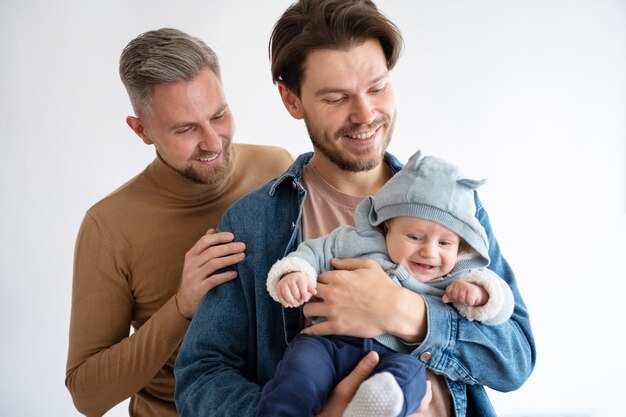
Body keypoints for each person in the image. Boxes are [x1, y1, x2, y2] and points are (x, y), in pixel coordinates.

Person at [175, 1, 536, 416]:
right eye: (336, 98)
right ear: (292, 100)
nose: (365, 115)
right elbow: (201, 376)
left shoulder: (450, 205)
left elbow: (516, 358)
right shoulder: (254, 224)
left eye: (377, 87)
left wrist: (407, 313)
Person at [65, 28, 294, 417]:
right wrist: (181, 306)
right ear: (141, 130)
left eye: (218, 115)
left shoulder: (277, 169)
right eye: (185, 129)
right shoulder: (108, 227)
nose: (212, 142)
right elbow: (88, 395)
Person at [258, 150, 515, 417]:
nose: (430, 252)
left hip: (394, 357)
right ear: (387, 226)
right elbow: (312, 253)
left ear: (460, 248)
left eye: (444, 243)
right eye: (415, 237)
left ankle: (375, 406)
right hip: (327, 344)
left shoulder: (455, 276)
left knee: (411, 377)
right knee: (298, 373)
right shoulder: (356, 241)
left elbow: (504, 310)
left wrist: (481, 295)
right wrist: (295, 274)